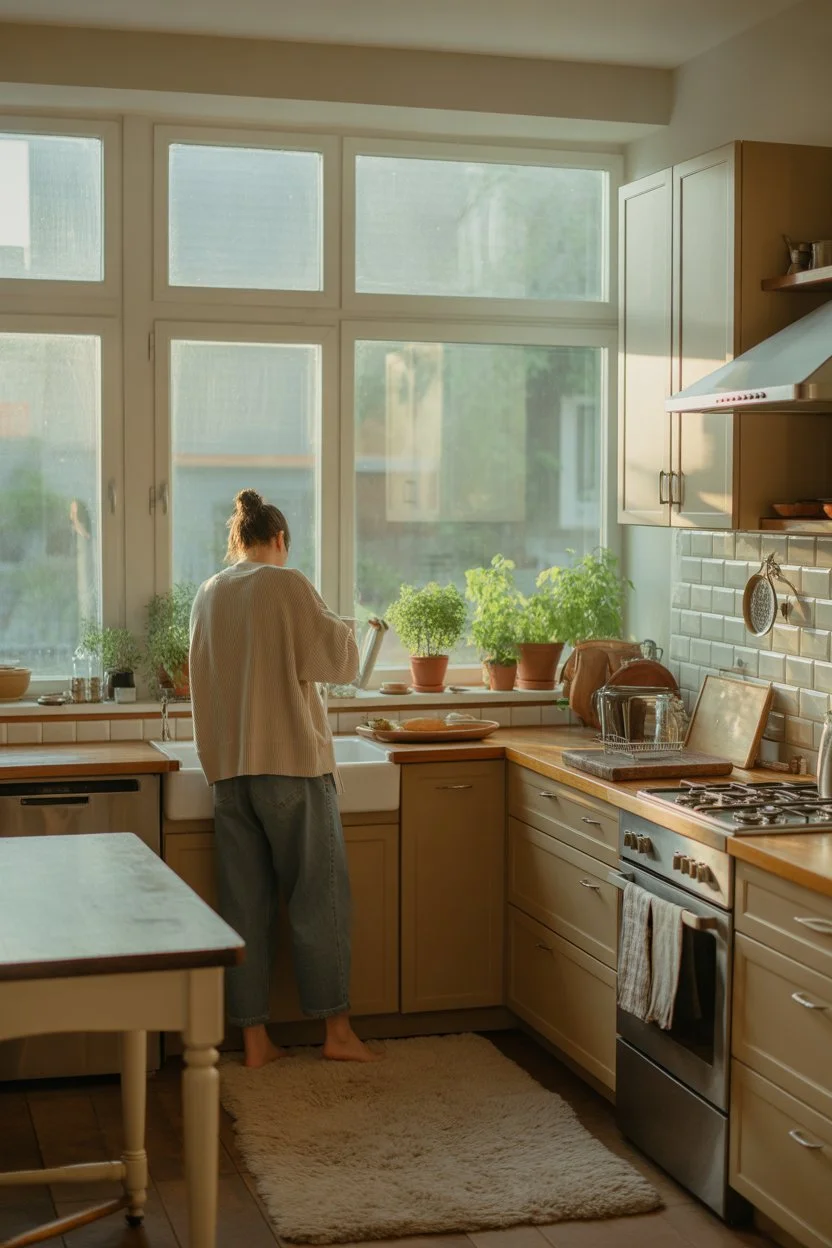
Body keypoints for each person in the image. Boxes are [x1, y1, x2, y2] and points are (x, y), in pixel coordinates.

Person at [189, 488, 379, 1067]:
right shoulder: (287, 583)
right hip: (292, 767)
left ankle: (253, 1042)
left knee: (243, 906)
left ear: (236, 542)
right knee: (317, 901)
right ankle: (338, 1035)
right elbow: (343, 665)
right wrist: (346, 623)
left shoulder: (208, 593)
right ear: (278, 541)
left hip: (229, 774)